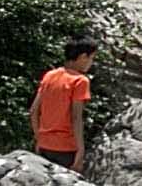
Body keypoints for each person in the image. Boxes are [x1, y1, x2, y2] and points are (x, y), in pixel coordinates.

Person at [30, 37, 98, 173]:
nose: (92, 63)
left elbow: (33, 111)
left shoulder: (49, 76)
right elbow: (76, 118)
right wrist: (80, 149)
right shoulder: (80, 81)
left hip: (45, 145)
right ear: (83, 57)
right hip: (66, 148)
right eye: (92, 58)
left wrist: (39, 138)